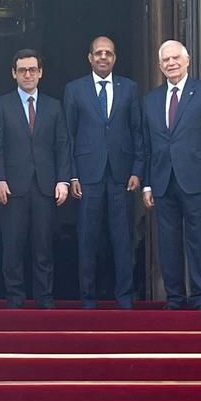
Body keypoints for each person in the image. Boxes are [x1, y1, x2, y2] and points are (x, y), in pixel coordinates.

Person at [141, 40, 201, 309]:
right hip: (162, 182)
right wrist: (146, 184)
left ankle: (200, 298)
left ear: (187, 60)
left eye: (175, 58)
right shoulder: (150, 100)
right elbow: (146, 145)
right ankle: (175, 298)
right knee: (168, 243)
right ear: (159, 66)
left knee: (199, 240)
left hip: (199, 180)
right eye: (165, 60)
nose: (171, 63)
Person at [63, 36, 144, 309]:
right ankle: (88, 297)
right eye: (98, 53)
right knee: (88, 236)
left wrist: (137, 169)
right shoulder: (74, 90)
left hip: (121, 175)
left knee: (122, 236)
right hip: (87, 175)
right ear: (89, 57)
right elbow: (68, 137)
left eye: (108, 53)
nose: (103, 57)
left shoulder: (129, 88)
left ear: (115, 58)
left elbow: (137, 131)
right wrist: (72, 175)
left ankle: (124, 296)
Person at [0, 49, 70, 308]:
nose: (28, 74)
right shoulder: (1, 105)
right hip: (12, 186)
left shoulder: (53, 105)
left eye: (33, 70)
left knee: (43, 246)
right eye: (23, 70)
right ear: (14, 73)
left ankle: (44, 299)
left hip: (46, 186)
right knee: (12, 245)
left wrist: (63, 180)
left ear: (40, 73)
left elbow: (62, 145)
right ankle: (15, 299)